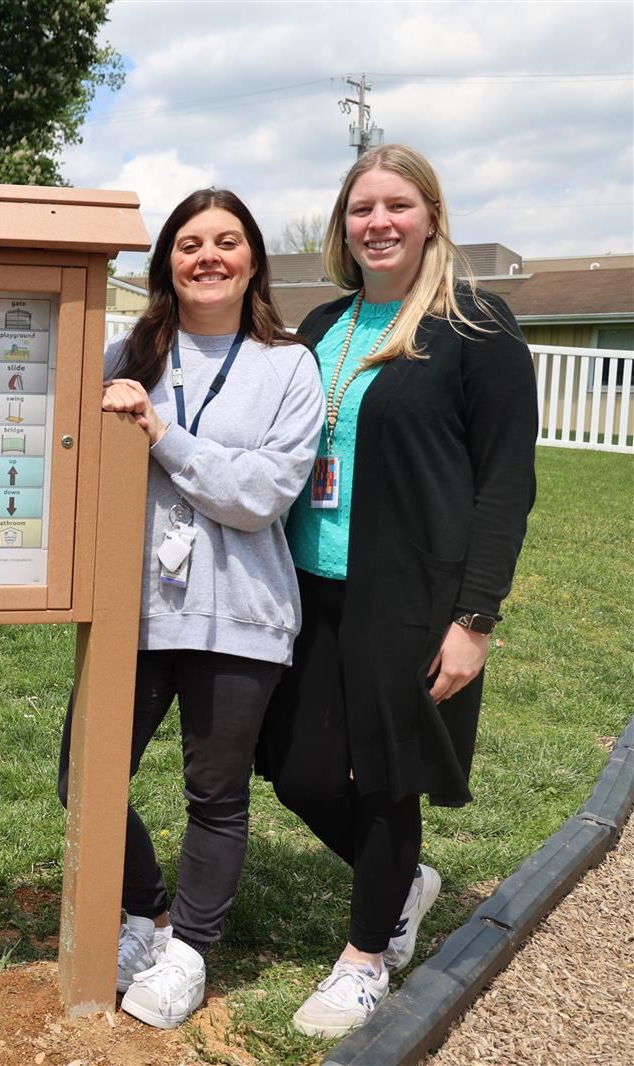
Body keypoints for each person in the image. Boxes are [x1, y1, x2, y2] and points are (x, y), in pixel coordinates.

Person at [259, 144, 537, 1038]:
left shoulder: (478, 329)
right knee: (295, 768)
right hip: (308, 583)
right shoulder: (322, 325)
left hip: (411, 594)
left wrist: (475, 619)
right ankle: (405, 882)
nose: (377, 222)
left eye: (396, 205)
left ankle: (366, 959)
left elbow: (505, 484)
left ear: (430, 216)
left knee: (386, 780)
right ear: (344, 226)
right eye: (360, 208)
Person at [57, 189, 324, 1029]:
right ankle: (150, 914)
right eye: (189, 243)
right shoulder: (120, 354)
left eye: (227, 241)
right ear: (166, 259)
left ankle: (192, 954)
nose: (207, 256)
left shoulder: (289, 367)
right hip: (130, 608)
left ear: (253, 261)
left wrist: (160, 433)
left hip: (239, 612)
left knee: (216, 794)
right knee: (82, 776)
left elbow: (261, 495)